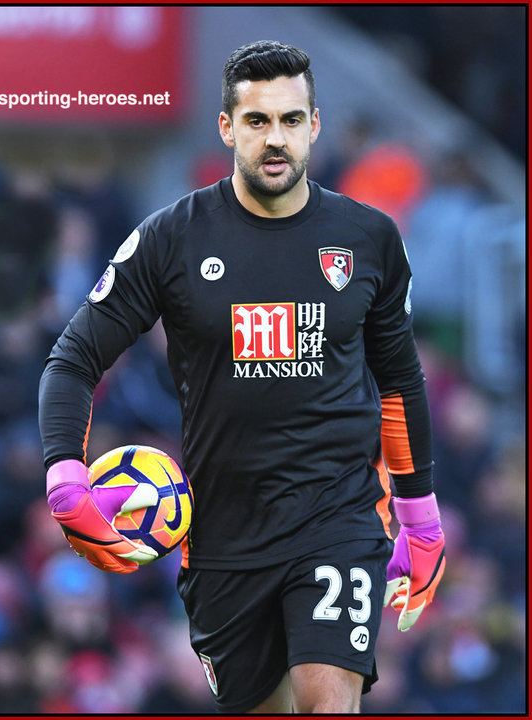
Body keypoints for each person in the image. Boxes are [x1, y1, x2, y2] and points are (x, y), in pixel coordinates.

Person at [39, 41, 446, 714]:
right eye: (257, 121)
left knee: (327, 701)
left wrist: (421, 517)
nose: (276, 138)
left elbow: (400, 381)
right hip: (223, 537)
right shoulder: (171, 240)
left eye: (291, 119)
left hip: (336, 515)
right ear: (227, 127)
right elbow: (72, 358)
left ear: (314, 125)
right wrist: (63, 478)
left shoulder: (369, 237)